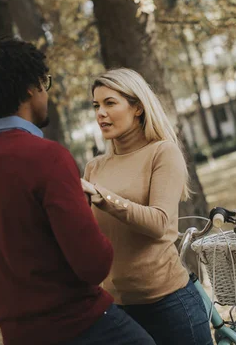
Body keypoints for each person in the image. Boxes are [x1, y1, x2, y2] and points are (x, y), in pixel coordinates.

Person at [0, 38, 155, 345]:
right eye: (45, 83)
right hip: (87, 328)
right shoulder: (47, 158)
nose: (47, 93)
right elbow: (94, 264)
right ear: (31, 88)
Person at [81, 68, 213, 345]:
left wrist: (103, 197)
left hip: (169, 304)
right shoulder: (94, 167)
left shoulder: (162, 152)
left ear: (138, 107)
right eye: (96, 105)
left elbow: (159, 223)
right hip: (117, 310)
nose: (100, 113)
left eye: (110, 103)